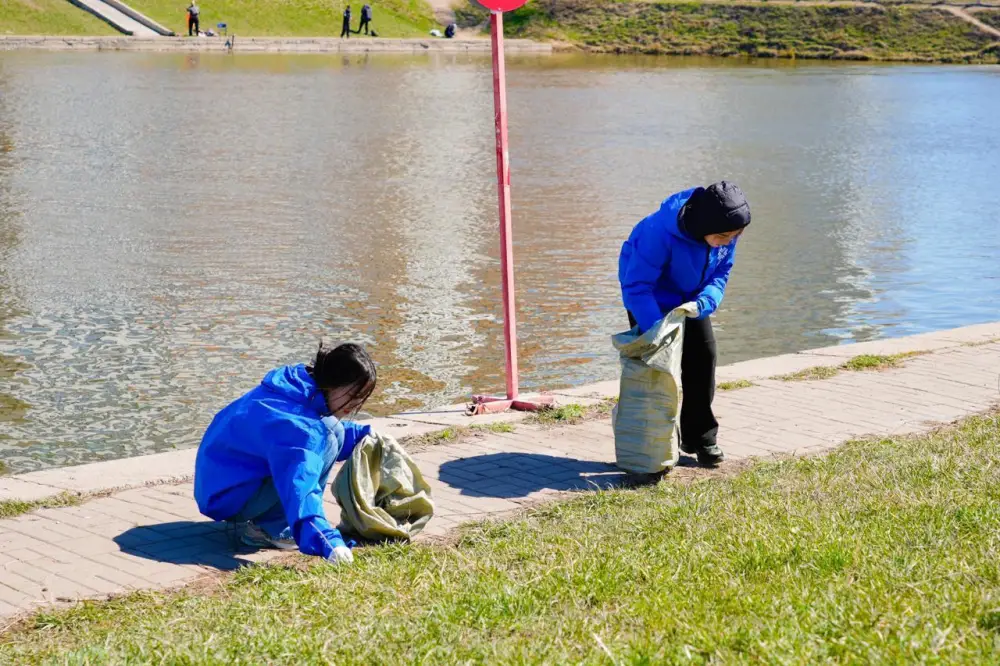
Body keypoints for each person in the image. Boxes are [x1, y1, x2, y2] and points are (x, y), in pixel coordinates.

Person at [194, 343, 378, 564]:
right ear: (334, 381)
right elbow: (301, 487)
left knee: (334, 431)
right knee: (325, 439)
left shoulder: (295, 388)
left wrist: (363, 435)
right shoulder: (298, 428)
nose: (356, 403)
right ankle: (269, 530)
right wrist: (328, 542)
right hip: (227, 497)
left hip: (222, 481)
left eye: (363, 396)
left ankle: (269, 521)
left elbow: (316, 431)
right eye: (354, 393)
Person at [618, 181, 751, 467]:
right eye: (722, 236)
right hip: (649, 300)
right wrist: (656, 329)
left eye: (735, 236)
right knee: (657, 372)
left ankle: (700, 438)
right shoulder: (656, 232)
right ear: (702, 226)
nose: (728, 241)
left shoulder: (727, 231)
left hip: (689, 303)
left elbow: (721, 272)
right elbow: (637, 286)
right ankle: (653, 447)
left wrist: (705, 302)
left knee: (703, 359)